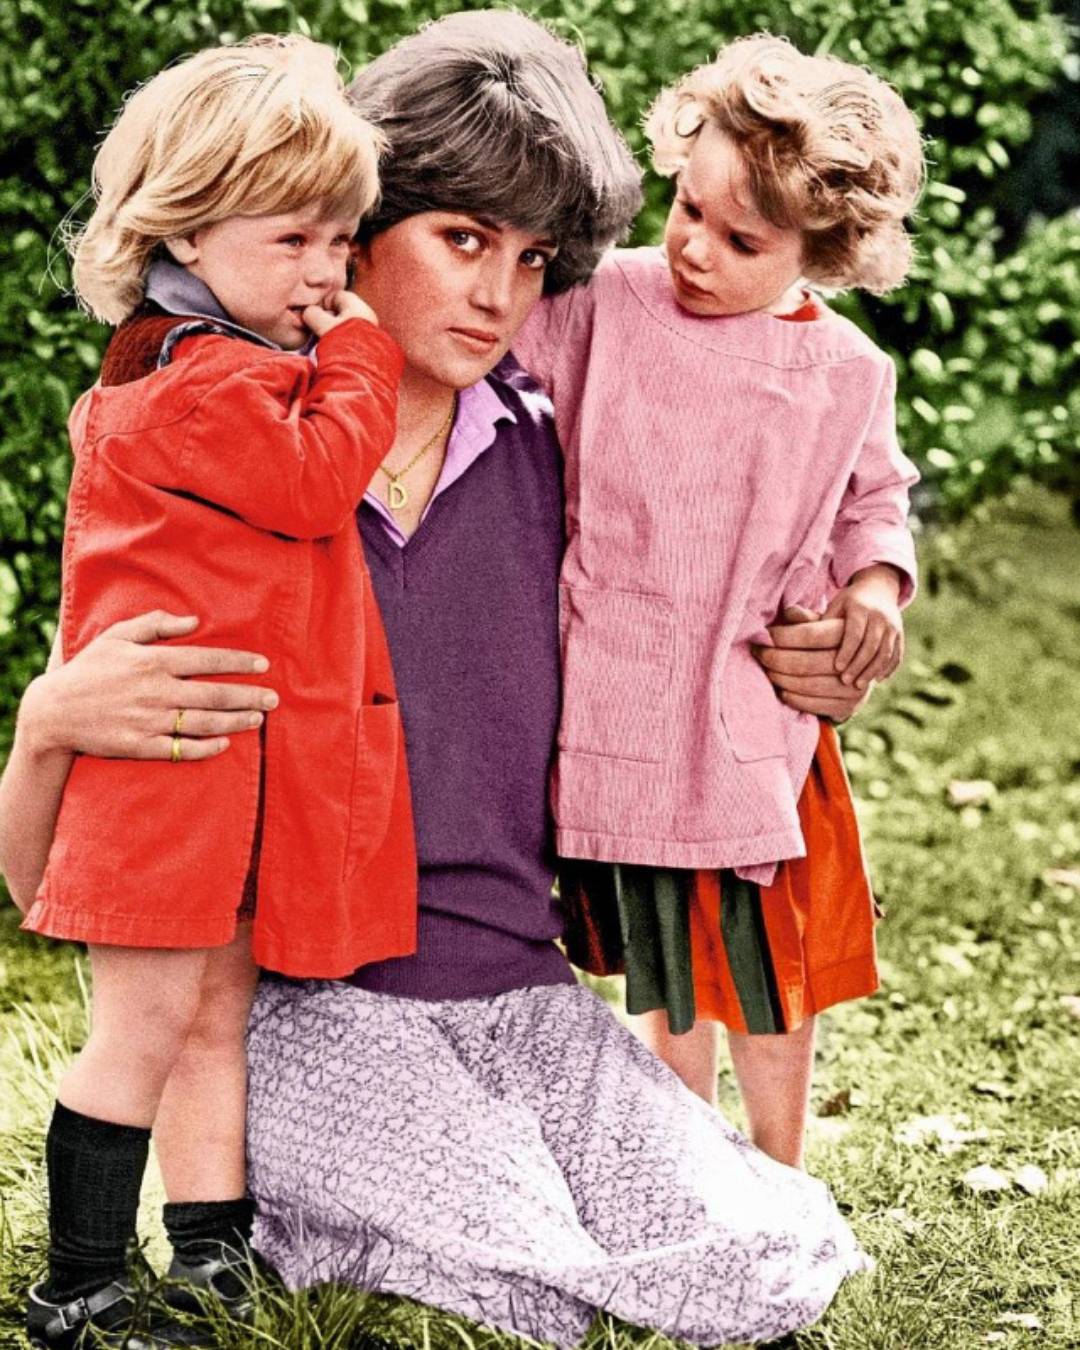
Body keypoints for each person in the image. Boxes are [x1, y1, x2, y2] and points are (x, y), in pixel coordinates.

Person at [0, 12, 874, 1349]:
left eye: (533, 260)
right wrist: (45, 723)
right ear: (354, 231)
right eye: (463, 239)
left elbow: (770, 472)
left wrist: (855, 619)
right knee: (520, 1268)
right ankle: (176, 1246)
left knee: (752, 1251)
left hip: (523, 1001)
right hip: (308, 1016)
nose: (499, 295)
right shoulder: (231, 457)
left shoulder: (561, 456)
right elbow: (47, 884)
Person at [11, 34, 417, 1350]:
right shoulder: (196, 380)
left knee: (207, 1024)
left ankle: (208, 1256)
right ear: (183, 228)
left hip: (217, 766)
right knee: (143, 1030)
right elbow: (315, 484)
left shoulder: (216, 368)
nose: (326, 274)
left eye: (342, 243)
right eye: (293, 239)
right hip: (165, 773)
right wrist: (368, 359)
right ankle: (80, 1286)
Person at [516, 34, 922, 1171]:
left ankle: (780, 1170)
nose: (695, 247)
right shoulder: (608, 303)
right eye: (688, 209)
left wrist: (875, 589)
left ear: (821, 253)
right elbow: (490, 366)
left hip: (758, 717)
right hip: (628, 698)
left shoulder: (847, 372)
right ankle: (691, 1173)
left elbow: (875, 501)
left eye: (743, 241)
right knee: (670, 964)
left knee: (770, 962)